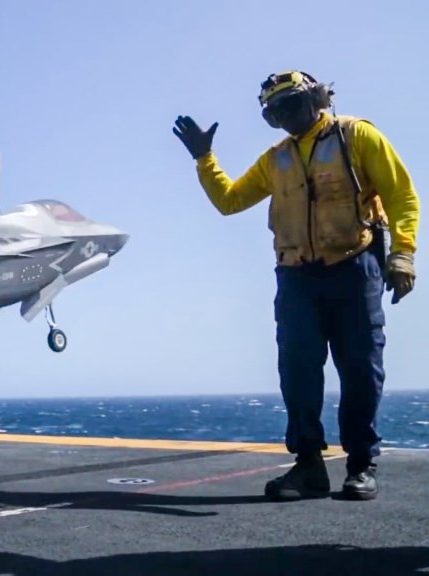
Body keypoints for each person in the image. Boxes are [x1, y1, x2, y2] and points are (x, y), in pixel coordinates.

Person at [172, 70, 420, 501]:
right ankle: (309, 467)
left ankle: (361, 466)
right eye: (274, 112)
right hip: (296, 279)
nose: (284, 116)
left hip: (353, 268)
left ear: (317, 98)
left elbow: (401, 195)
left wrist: (402, 255)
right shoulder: (277, 159)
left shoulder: (356, 136)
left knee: (361, 370)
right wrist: (204, 159)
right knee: (298, 375)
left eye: (289, 105)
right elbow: (230, 201)